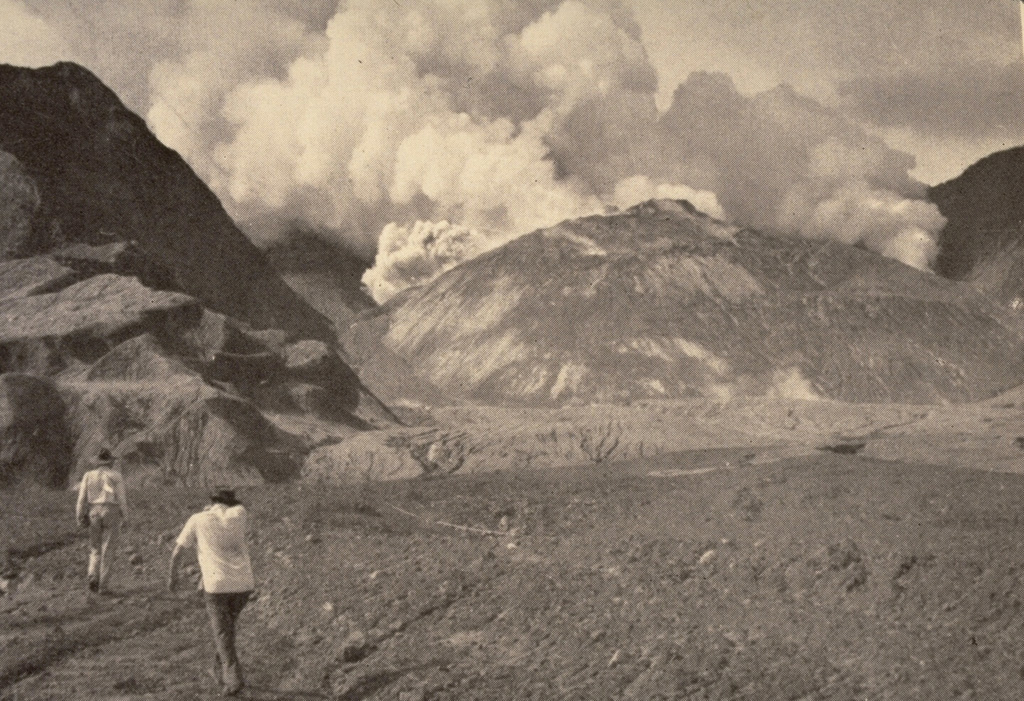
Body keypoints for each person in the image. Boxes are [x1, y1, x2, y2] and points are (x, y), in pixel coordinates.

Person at [168, 487, 254, 696]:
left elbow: (178, 550)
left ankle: (233, 680)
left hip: (216, 586)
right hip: (243, 585)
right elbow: (237, 508)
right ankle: (219, 669)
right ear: (231, 503)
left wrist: (173, 576)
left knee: (223, 633)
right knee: (227, 628)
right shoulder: (240, 515)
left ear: (212, 501)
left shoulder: (197, 518)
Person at [75, 448, 129, 594]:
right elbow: (121, 499)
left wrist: (79, 516)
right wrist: (126, 516)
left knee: (95, 548)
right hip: (111, 510)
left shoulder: (88, 475)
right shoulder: (115, 475)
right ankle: (103, 586)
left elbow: (81, 500)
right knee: (108, 549)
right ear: (110, 462)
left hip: (94, 510)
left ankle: (93, 576)